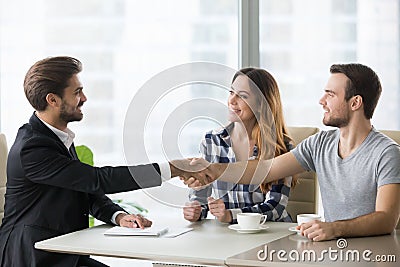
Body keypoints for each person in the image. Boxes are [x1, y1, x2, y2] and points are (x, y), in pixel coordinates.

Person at [0, 56, 209, 267]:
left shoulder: (55, 136)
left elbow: (84, 189)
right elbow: (98, 180)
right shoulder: (33, 147)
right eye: (77, 92)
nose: (84, 98)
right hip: (32, 256)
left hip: (63, 251)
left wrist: (117, 216)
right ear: (52, 100)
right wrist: (172, 168)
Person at [185, 63, 400, 241]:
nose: (321, 101)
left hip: (375, 254)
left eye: (330, 94)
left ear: (355, 102)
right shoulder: (319, 144)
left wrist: (334, 228)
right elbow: (265, 170)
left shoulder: (387, 153)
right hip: (333, 249)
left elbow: (386, 219)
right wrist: (212, 169)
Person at [183, 68, 296, 224]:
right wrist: (195, 209)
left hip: (270, 233)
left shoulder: (280, 147)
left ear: (261, 104)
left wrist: (231, 215)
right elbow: (201, 194)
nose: (232, 100)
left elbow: (275, 207)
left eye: (242, 96)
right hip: (228, 235)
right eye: (231, 92)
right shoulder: (211, 141)